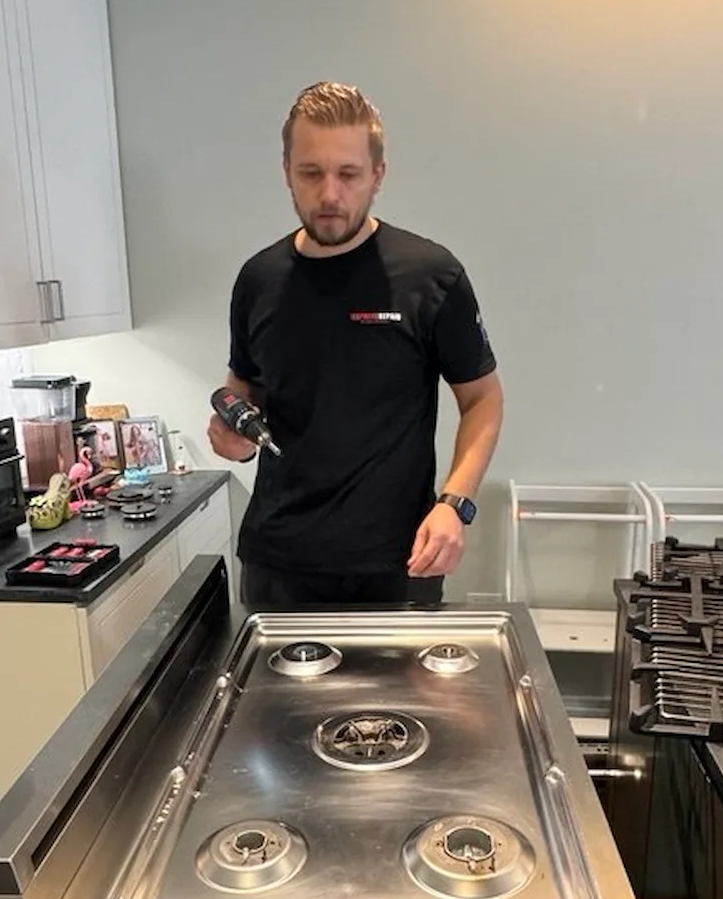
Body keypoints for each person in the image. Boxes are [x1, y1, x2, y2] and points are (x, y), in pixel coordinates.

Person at [210, 81, 503, 608]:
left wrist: (454, 505)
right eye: (311, 172)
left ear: (377, 176)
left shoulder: (430, 276)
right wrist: (234, 431)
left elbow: (483, 400)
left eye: (347, 174)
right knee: (274, 697)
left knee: (400, 697)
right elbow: (243, 387)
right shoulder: (257, 280)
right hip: (278, 564)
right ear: (286, 173)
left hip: (397, 562)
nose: (329, 194)